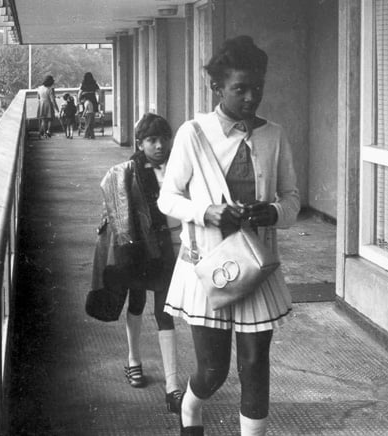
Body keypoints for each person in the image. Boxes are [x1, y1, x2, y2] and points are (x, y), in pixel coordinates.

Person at [157, 36, 300, 436]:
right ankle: (190, 411)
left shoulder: (274, 135)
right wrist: (207, 211)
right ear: (217, 88)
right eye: (240, 89)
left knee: (255, 365)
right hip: (209, 269)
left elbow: (292, 199)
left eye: (258, 88)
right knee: (213, 371)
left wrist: (272, 212)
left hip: (256, 267)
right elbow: (167, 198)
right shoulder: (193, 133)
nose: (252, 97)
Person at [99, 113, 185, 414]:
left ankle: (173, 386)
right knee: (135, 303)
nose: (159, 145)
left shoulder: (179, 168)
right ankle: (133, 360)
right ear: (140, 142)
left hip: (170, 250)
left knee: (165, 311)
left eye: (164, 138)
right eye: (152, 140)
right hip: (139, 249)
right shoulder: (128, 173)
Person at [78, 72, 102, 139]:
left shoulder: (83, 84)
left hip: (85, 100)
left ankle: (88, 133)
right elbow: (99, 93)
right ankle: (91, 133)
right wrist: (99, 101)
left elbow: (79, 93)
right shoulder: (94, 84)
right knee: (92, 118)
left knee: (87, 117)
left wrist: (79, 101)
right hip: (93, 100)